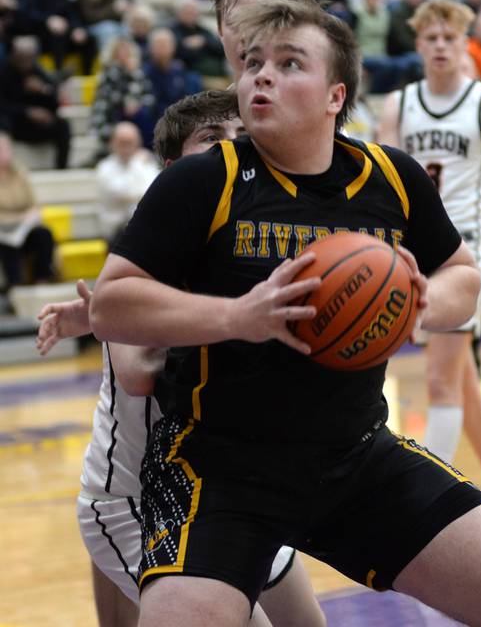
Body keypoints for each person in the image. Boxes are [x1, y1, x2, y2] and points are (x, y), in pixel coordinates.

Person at [89, 0, 481, 627]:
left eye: (289, 64)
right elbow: (113, 305)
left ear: (335, 96)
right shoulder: (205, 180)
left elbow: (463, 277)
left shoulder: (391, 178)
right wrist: (238, 316)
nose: (262, 75)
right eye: (254, 62)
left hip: (355, 455)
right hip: (218, 472)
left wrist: (418, 309)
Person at [37, 90, 326, 627]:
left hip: (227, 491)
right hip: (134, 504)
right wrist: (237, 321)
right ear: (172, 169)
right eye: (212, 140)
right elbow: (139, 374)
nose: (231, 150)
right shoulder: (149, 257)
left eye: (240, 137)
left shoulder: (252, 249)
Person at [378, 0, 481, 525]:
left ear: (465, 42)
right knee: (460, 376)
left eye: (450, 37)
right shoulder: (398, 106)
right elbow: (383, 190)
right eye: (431, 38)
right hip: (412, 253)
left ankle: (429, 508)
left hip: (466, 251)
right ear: (418, 44)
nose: (441, 46)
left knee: (441, 379)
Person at [0, 35, 71, 169]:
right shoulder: (4, 72)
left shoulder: (38, 71)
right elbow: (3, 106)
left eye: (30, 57)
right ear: (14, 55)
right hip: (15, 124)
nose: (26, 61)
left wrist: (44, 90)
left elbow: (55, 104)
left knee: (63, 125)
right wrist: (27, 112)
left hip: (37, 125)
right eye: (22, 57)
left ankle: (61, 168)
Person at [0, 129, 54, 294]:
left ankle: (42, 281)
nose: (6, 153)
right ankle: (16, 288)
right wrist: (17, 218)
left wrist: (26, 217)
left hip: (22, 227)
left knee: (43, 234)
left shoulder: (20, 172)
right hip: (3, 230)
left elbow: (33, 204)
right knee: (7, 243)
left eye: (7, 148)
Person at [95, 122, 160, 245]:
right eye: (122, 142)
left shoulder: (146, 164)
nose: (126, 147)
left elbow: (154, 192)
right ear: (112, 143)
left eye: (130, 142)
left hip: (147, 228)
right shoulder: (104, 168)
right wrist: (137, 163)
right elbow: (126, 193)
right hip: (117, 232)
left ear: (138, 143)